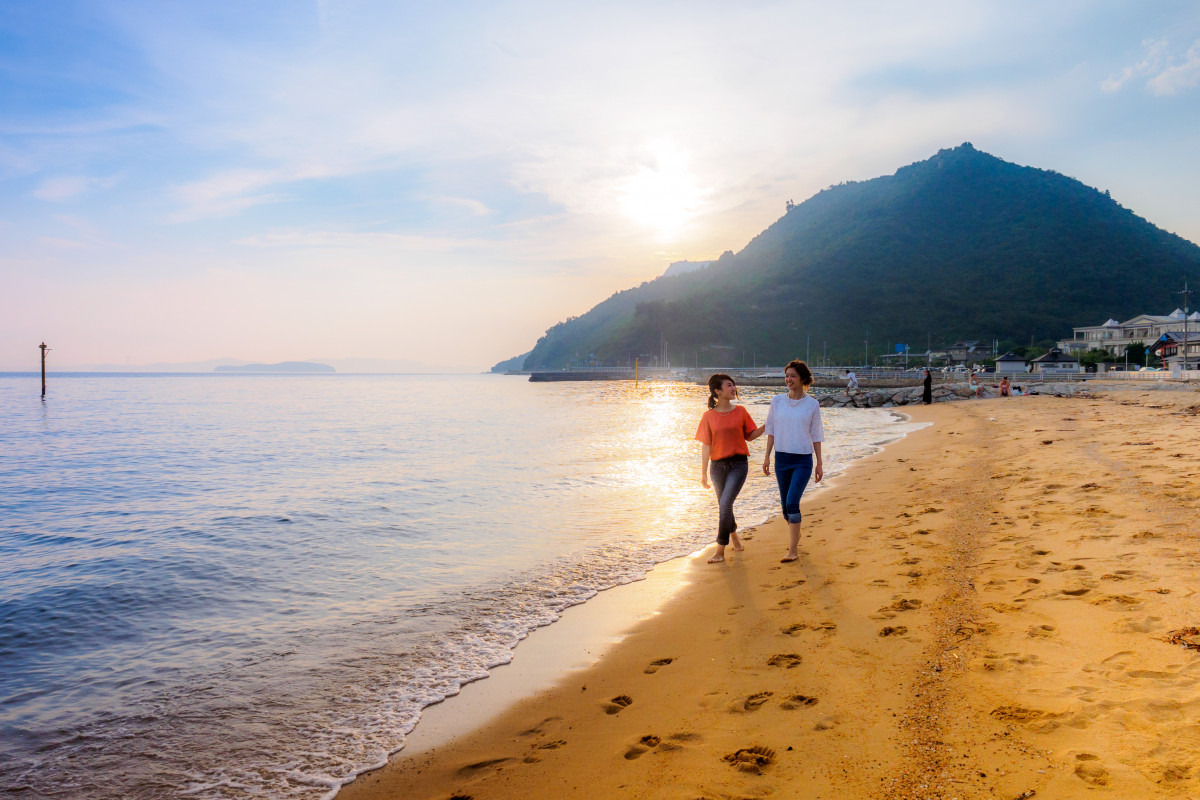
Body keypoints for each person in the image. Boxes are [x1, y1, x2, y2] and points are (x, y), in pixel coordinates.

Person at [695, 374, 763, 563]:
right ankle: (735, 537)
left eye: (734, 385)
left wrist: (768, 426)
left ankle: (719, 550)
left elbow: (750, 435)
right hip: (717, 467)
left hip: (738, 464)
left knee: (725, 504)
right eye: (729, 385)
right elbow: (706, 445)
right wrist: (703, 474)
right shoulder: (708, 416)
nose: (734, 388)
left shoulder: (741, 411)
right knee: (725, 505)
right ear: (718, 391)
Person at [762, 360, 825, 563]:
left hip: (802, 460)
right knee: (784, 508)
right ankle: (795, 535)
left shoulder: (812, 404)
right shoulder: (777, 401)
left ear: (803, 379)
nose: (789, 379)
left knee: (792, 503)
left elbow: (816, 434)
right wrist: (766, 457)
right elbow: (770, 431)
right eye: (787, 375)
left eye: (793, 376)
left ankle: (793, 550)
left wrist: (819, 463)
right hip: (781, 459)